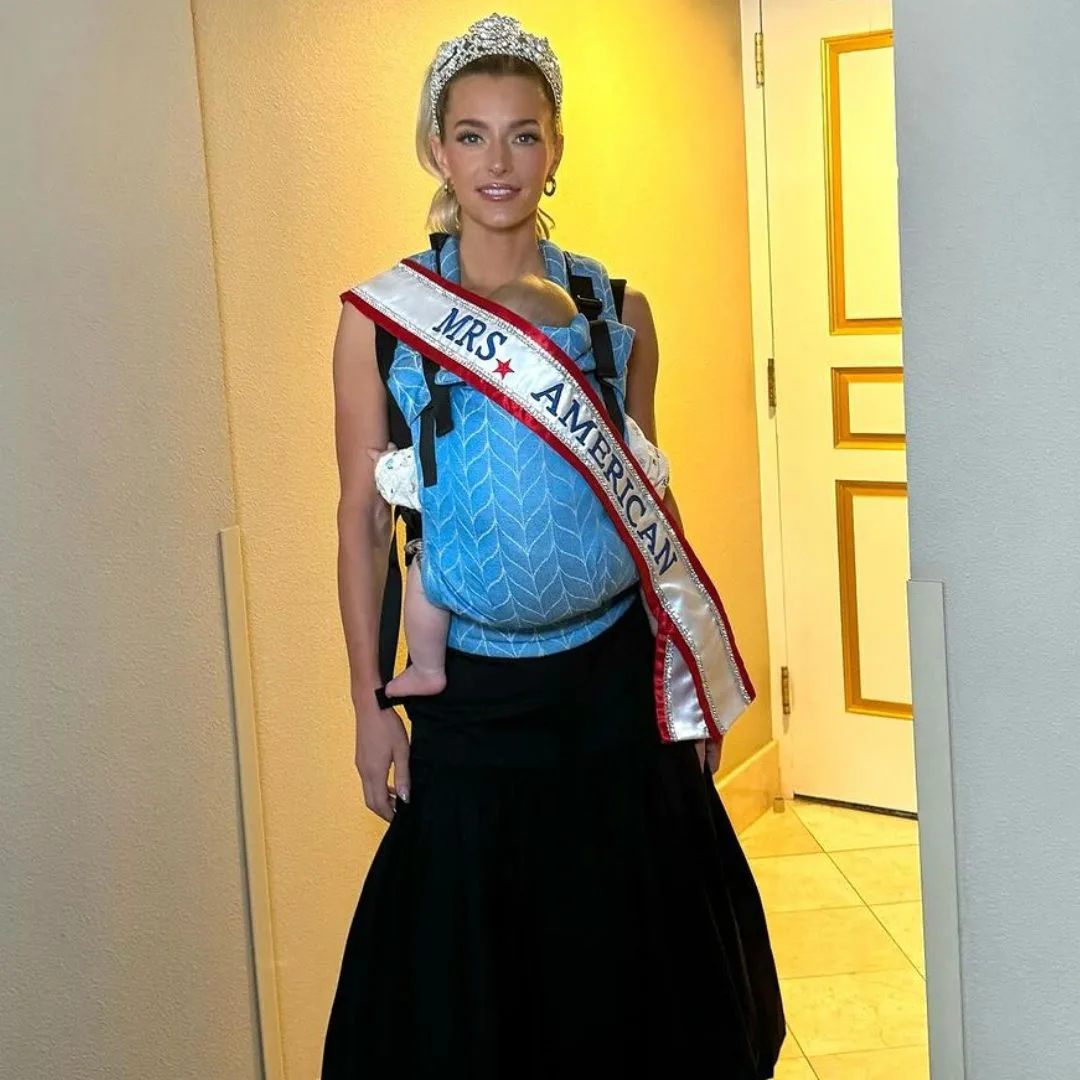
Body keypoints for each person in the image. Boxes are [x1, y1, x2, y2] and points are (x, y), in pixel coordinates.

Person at [324, 13, 784, 1078]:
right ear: (437, 149)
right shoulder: (385, 323)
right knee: (485, 1008)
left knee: (644, 995)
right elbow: (357, 518)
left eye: (523, 135)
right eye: (473, 135)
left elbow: (654, 511)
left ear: (557, 148)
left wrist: (690, 682)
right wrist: (364, 706)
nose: (499, 162)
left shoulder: (614, 310)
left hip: (617, 696)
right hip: (473, 705)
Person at [369, 273, 672, 699]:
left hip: (485, 595)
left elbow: (416, 480)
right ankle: (672, 646)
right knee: (646, 557)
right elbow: (650, 476)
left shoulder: (470, 422)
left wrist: (383, 465)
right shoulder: (598, 410)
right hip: (603, 580)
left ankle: (426, 667)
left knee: (426, 562)